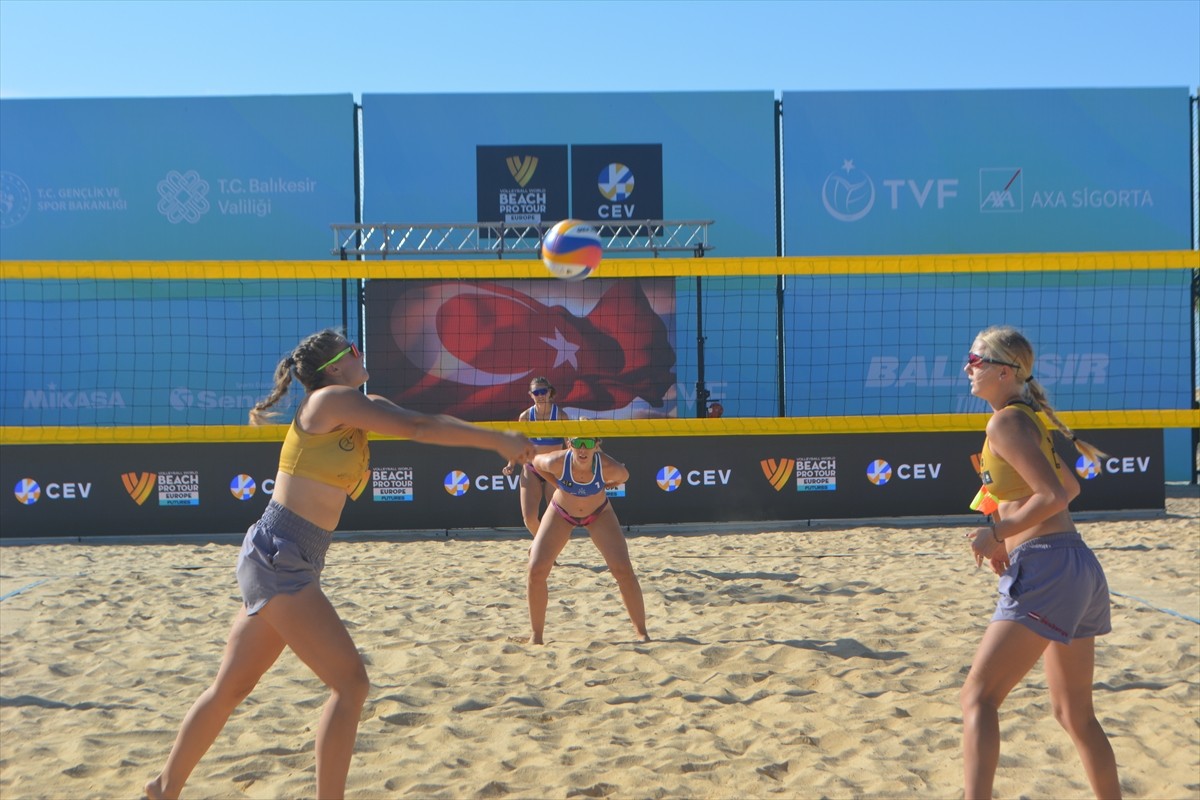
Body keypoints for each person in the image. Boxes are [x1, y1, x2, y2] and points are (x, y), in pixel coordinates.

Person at [144, 329, 535, 800]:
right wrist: (495, 440)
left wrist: (509, 444)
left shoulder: (358, 406)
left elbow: (425, 422)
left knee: (231, 688)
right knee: (351, 685)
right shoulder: (328, 401)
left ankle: (162, 789)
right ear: (334, 367)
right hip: (281, 555)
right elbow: (420, 428)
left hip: (286, 555)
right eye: (353, 349)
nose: (361, 352)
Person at [959, 325, 1121, 800]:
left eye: (977, 359)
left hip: (1048, 567)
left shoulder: (1005, 423)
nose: (968, 367)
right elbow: (1070, 487)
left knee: (978, 697)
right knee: (1074, 714)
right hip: (1076, 566)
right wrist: (1007, 540)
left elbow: (1052, 494)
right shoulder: (1025, 419)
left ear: (1006, 372)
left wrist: (997, 534)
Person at [525, 434, 650, 645]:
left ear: (597, 445)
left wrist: (604, 486)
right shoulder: (556, 460)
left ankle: (642, 632)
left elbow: (624, 477)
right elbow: (534, 462)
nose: (583, 449)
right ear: (569, 443)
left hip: (599, 513)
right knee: (536, 569)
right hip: (561, 512)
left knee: (623, 570)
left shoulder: (608, 466)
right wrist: (558, 484)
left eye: (589, 443)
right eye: (577, 443)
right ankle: (536, 636)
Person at [502, 377, 569, 538]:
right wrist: (511, 463)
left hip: (554, 469)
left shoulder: (560, 415)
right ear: (531, 395)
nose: (540, 395)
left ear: (549, 392)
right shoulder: (525, 416)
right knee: (529, 518)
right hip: (532, 468)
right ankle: (543, 546)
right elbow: (519, 444)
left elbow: (569, 444)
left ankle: (545, 548)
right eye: (536, 392)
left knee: (555, 518)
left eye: (543, 391)